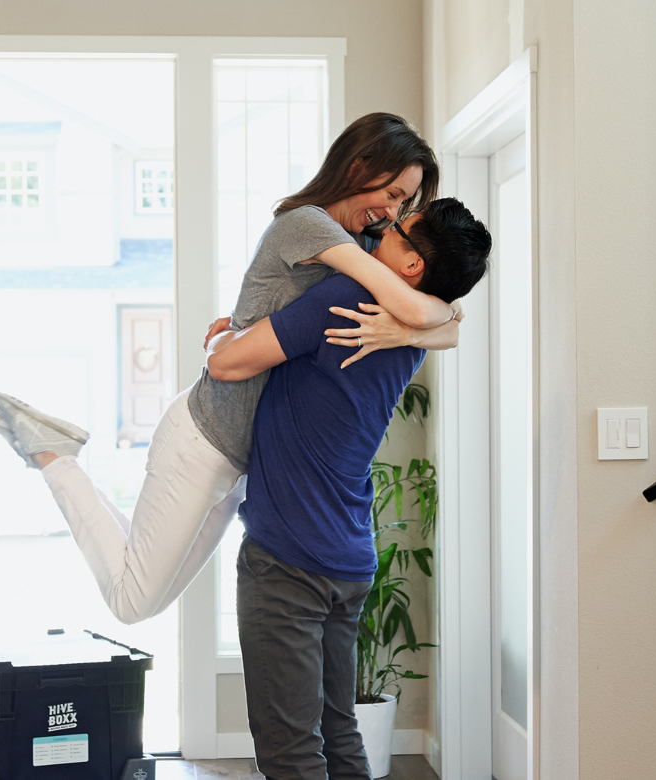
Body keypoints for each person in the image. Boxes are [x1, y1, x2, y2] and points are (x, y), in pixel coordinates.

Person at [0, 113, 462, 624]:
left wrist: (411, 330)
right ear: (359, 164)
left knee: (147, 593)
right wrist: (417, 320)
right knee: (130, 603)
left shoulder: (364, 243)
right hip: (204, 439)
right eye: (393, 193)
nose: (392, 211)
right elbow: (419, 303)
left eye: (404, 203)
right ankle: (53, 455)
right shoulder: (307, 226)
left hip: (240, 467)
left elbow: (451, 323)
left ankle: (54, 447)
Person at [205, 197, 491, 780]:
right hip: (348, 558)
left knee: (290, 753)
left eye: (398, 227)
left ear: (412, 265)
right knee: (338, 732)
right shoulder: (412, 325)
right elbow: (447, 319)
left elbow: (228, 367)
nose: (382, 226)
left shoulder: (346, 301)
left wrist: (222, 340)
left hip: (289, 558)